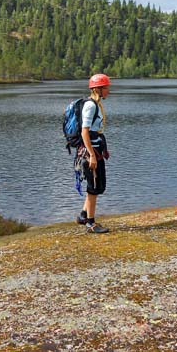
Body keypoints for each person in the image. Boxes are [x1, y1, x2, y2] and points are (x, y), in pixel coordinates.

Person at [76, 73, 111, 234]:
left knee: (98, 186)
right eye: (106, 88)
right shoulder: (90, 106)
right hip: (91, 153)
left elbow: (95, 132)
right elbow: (85, 132)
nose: (108, 91)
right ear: (98, 89)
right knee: (93, 188)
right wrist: (91, 155)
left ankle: (83, 215)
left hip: (96, 150)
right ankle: (91, 224)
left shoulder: (96, 104)